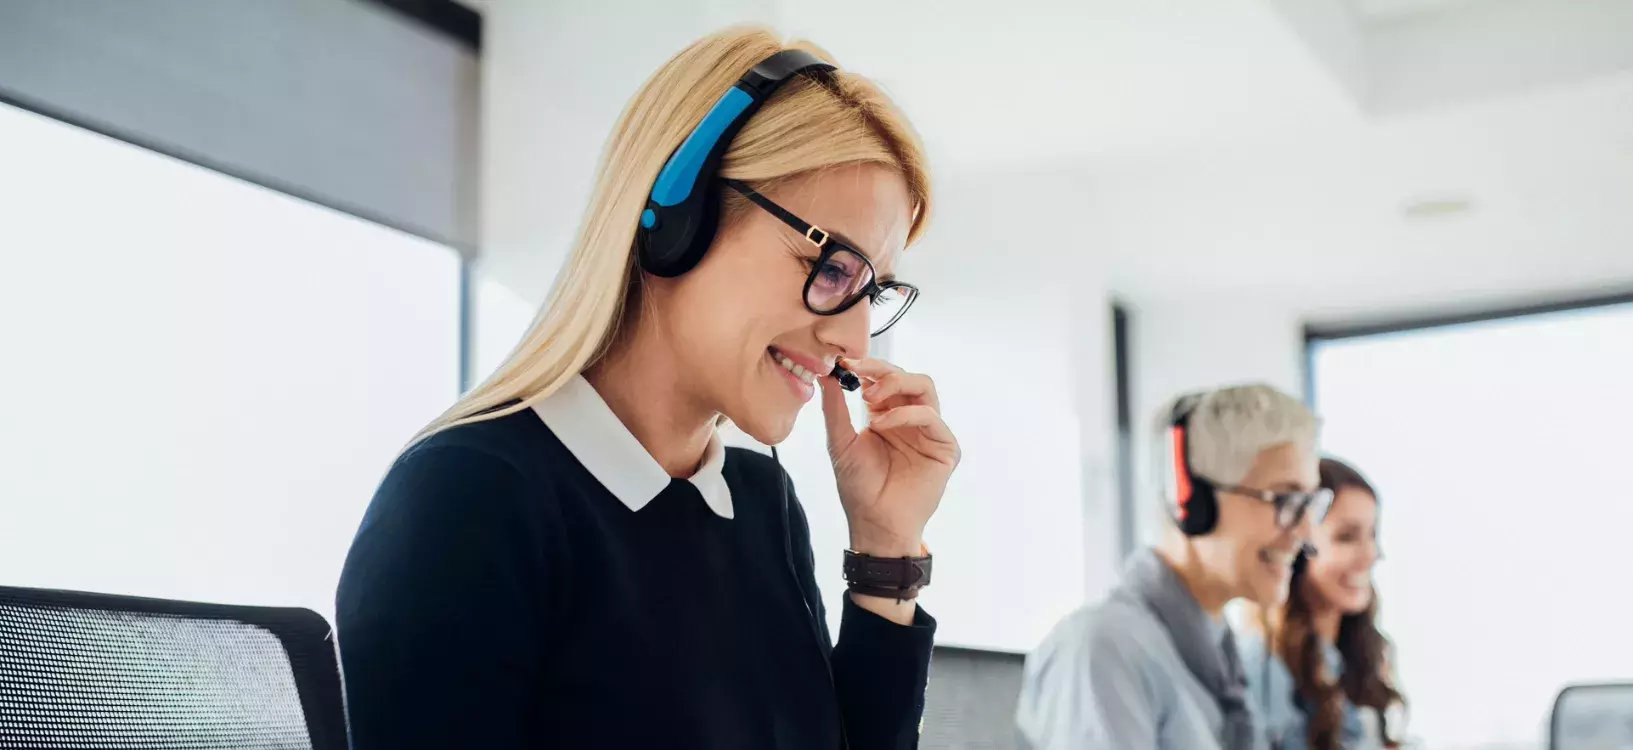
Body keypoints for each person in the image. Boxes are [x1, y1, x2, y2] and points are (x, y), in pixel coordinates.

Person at [334, 27, 959, 750]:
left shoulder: (760, 504)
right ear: (679, 214)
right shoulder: (466, 499)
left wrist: (886, 547)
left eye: (871, 293)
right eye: (834, 268)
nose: (854, 339)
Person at [1016, 385, 1330, 750]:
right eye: (1285, 499)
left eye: (1310, 504)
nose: (1307, 532)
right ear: (1194, 502)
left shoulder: (1219, 663)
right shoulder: (1105, 650)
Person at [1240, 458, 1407, 750]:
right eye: (1347, 537)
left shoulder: (1359, 657)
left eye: (1372, 535)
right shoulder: (1259, 668)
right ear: (1297, 544)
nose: (1371, 554)